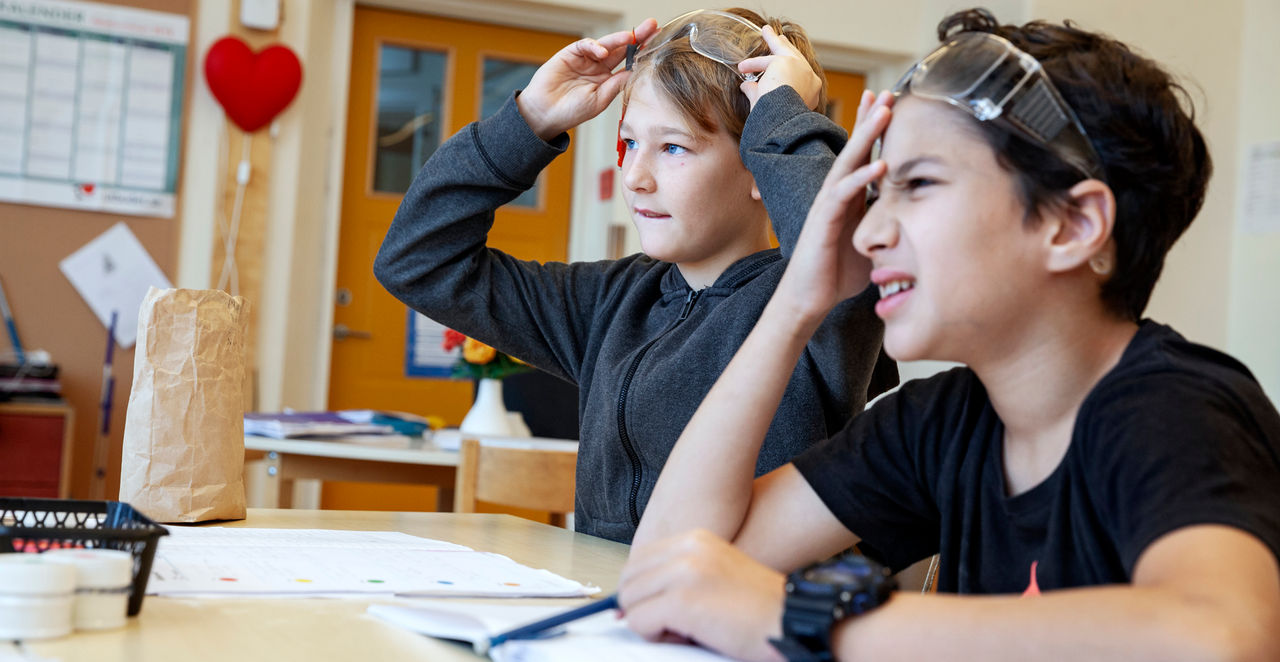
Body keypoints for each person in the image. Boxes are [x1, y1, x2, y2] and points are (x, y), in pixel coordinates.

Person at [618, 8, 1280, 661]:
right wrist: (798, 301)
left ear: (1072, 226)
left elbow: (1221, 638)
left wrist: (800, 620)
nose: (870, 233)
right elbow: (668, 570)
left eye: (919, 184)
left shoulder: (1177, 411)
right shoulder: (940, 423)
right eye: (879, 192)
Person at [374, 9, 897, 543]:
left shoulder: (819, 304)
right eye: (629, 143)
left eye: (673, 147)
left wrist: (782, 116)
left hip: (744, 595)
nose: (636, 178)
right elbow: (418, 261)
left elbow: (837, 252)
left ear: (760, 166)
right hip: (607, 594)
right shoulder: (610, 301)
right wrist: (530, 118)